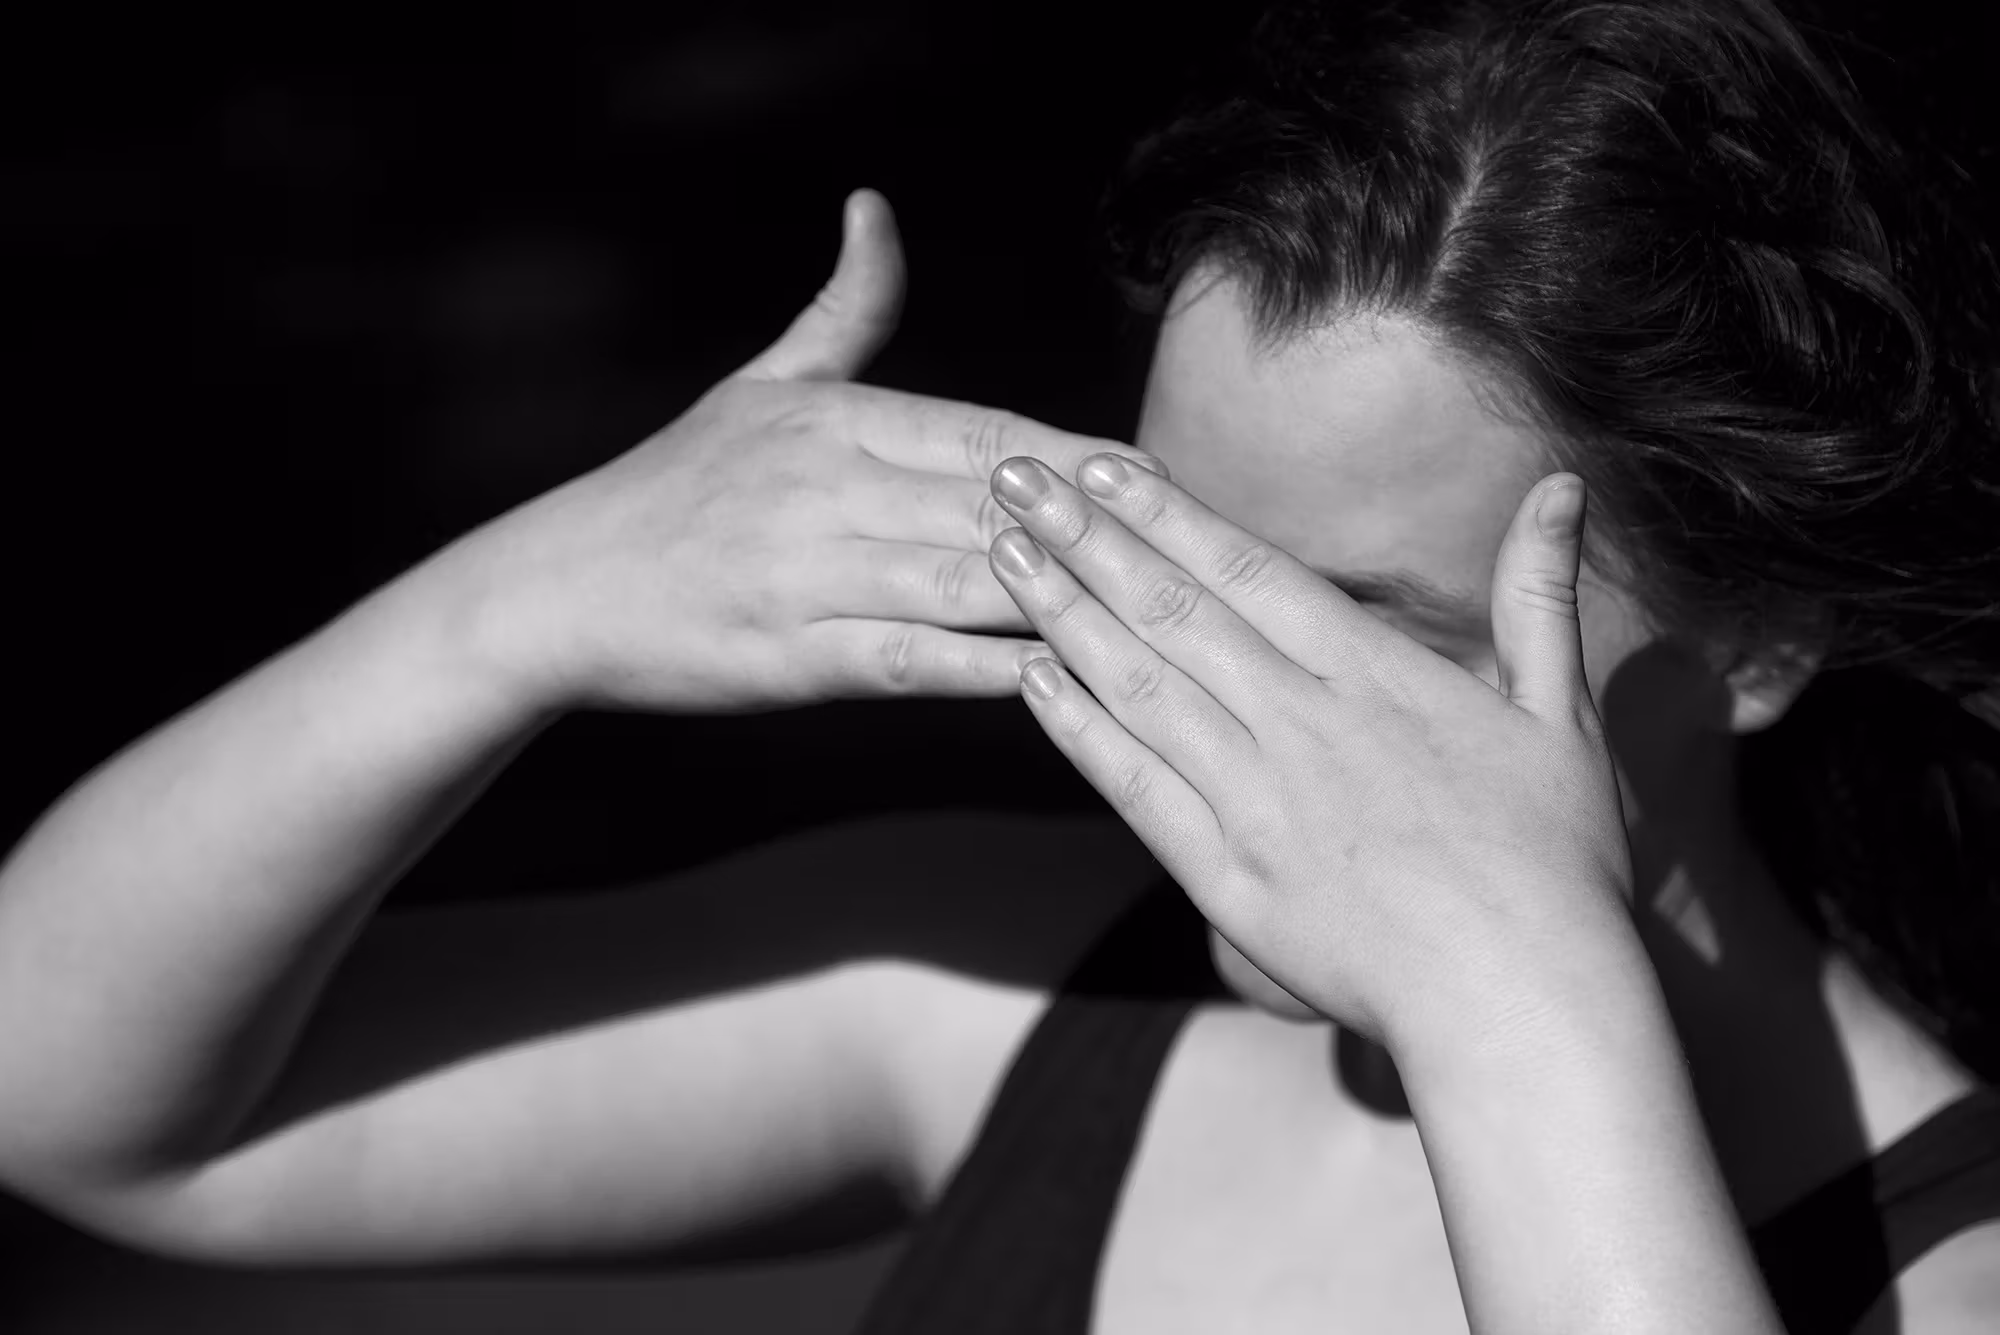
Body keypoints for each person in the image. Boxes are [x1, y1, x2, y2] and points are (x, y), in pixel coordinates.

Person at [2, 0, 1998, 1331]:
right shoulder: (1015, 991)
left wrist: (1514, 1002)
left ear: (1760, 631)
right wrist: (511, 609)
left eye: (1347, 625)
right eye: (1161, 557)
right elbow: (75, 1094)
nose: (1170, 683)